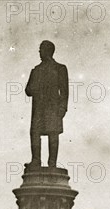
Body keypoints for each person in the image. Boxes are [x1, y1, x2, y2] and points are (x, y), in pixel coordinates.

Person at [25, 40, 69, 170]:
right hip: (38, 108)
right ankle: (36, 160)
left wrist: (63, 107)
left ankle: (52, 163)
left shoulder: (60, 68)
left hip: (53, 108)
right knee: (35, 132)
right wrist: (35, 87)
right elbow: (28, 90)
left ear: (48, 51)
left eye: (41, 49)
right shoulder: (36, 70)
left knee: (53, 133)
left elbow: (64, 91)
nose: (39, 52)